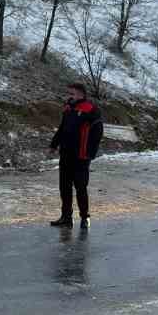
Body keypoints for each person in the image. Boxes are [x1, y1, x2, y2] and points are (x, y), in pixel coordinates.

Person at [48, 82, 103, 228]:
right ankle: (66, 217)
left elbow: (97, 132)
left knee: (80, 187)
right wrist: (54, 144)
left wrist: (90, 152)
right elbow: (62, 128)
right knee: (64, 188)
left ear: (81, 94)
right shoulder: (68, 108)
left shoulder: (91, 109)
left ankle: (85, 218)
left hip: (81, 156)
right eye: (69, 94)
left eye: (72, 93)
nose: (69, 96)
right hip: (66, 154)